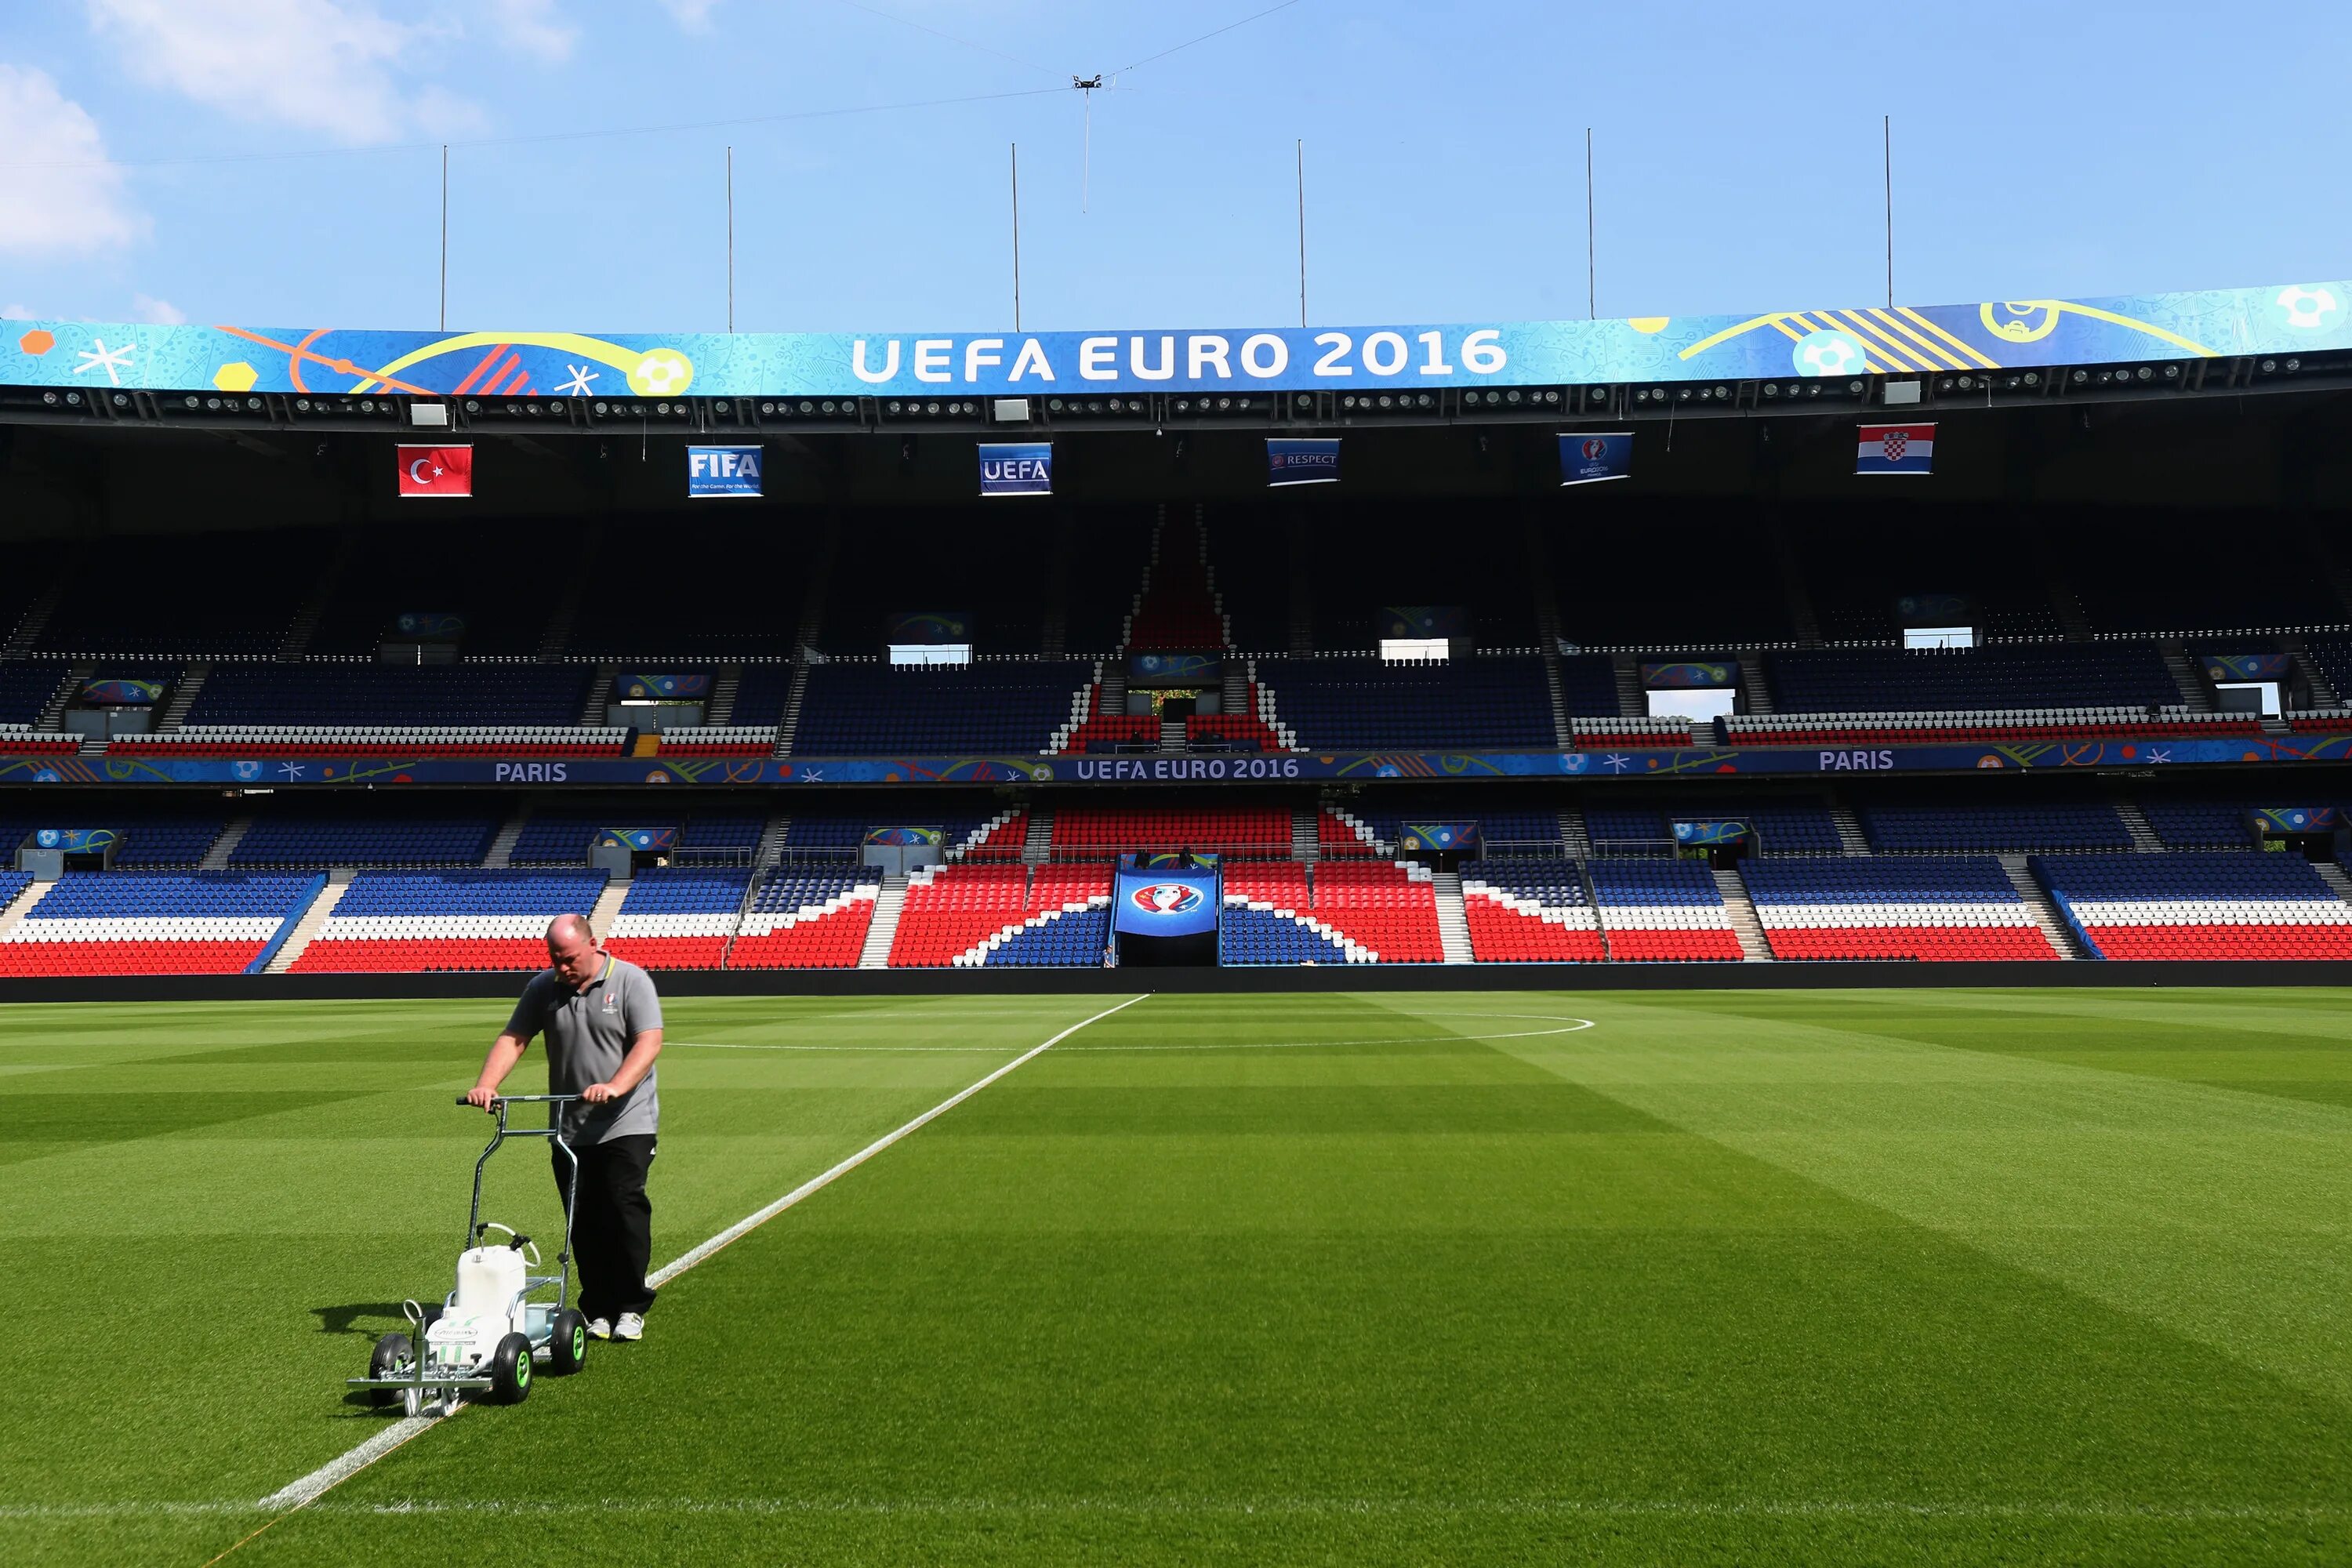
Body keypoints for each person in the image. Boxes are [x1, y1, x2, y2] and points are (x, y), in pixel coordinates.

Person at [466, 913, 664, 1342]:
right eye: (555, 959)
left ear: (593, 945)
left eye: (569, 958)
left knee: (623, 1204)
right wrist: (487, 1084)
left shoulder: (631, 981)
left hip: (626, 1121)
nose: (562, 967)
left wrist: (615, 1085)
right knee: (583, 1217)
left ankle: (630, 1305)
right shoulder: (544, 989)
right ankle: (596, 1307)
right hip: (569, 1128)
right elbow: (514, 1038)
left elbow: (649, 1041)